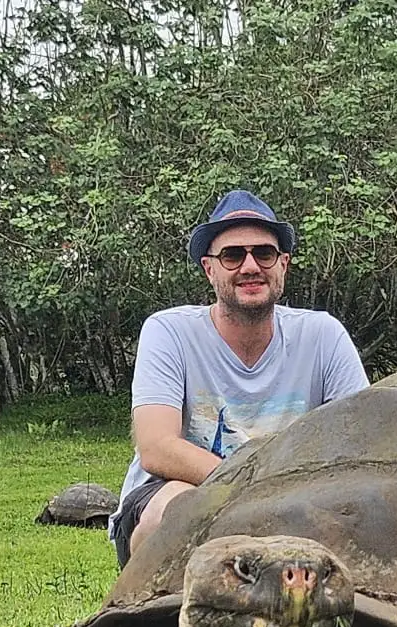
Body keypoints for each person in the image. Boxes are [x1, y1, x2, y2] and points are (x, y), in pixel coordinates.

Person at [108, 190, 370, 568]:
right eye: (232, 255)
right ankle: (151, 603)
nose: (250, 266)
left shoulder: (323, 336)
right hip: (180, 490)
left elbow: (360, 445)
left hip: (293, 501)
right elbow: (156, 447)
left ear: (283, 264)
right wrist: (253, 489)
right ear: (209, 268)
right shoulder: (170, 332)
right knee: (178, 510)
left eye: (263, 253)